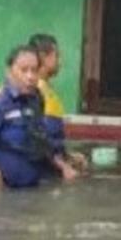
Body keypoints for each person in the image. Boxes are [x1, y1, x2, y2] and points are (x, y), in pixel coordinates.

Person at [0, 45, 79, 190]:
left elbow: (40, 139)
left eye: (34, 70)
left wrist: (63, 165)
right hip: (1, 194)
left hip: (29, 191)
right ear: (10, 72)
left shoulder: (36, 99)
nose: (30, 77)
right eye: (23, 70)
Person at [28, 33, 89, 172]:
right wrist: (62, 165)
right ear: (44, 56)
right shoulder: (37, 91)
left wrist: (67, 157)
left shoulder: (47, 89)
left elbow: (51, 138)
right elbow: (39, 139)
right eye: (57, 56)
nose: (60, 62)